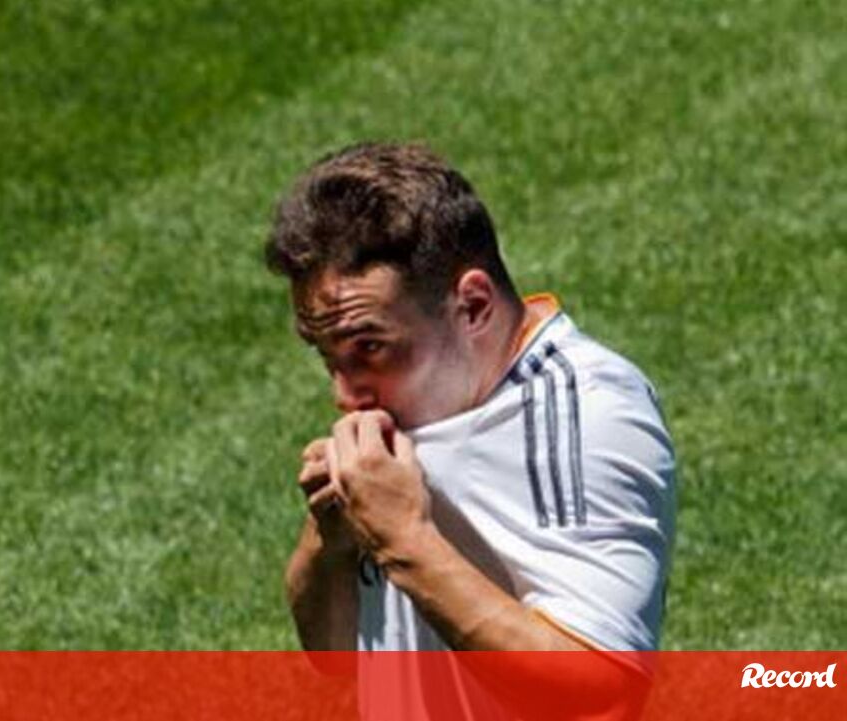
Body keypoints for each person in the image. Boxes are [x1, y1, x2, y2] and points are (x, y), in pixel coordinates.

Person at [264, 143, 677, 720]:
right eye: (326, 356)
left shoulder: (590, 414)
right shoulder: (419, 402)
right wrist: (328, 538)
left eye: (369, 347)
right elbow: (337, 657)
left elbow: (599, 687)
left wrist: (403, 540)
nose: (345, 396)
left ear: (474, 305)